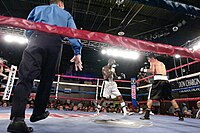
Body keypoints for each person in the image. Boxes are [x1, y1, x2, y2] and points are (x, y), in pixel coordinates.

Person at [7, 0, 83, 132]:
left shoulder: (38, 9)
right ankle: (38, 113)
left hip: (36, 39)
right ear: (60, 4)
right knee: (47, 79)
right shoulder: (65, 14)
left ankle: (17, 120)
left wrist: (34, 40)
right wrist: (77, 52)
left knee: (25, 78)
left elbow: (28, 29)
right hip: (55, 44)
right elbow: (73, 33)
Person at [140, 54, 184, 121]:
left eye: (148, 59)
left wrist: (144, 70)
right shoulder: (162, 63)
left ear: (151, 58)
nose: (148, 61)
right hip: (166, 80)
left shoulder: (153, 62)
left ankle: (146, 115)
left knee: (150, 97)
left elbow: (152, 71)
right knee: (171, 98)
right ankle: (180, 115)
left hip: (158, 80)